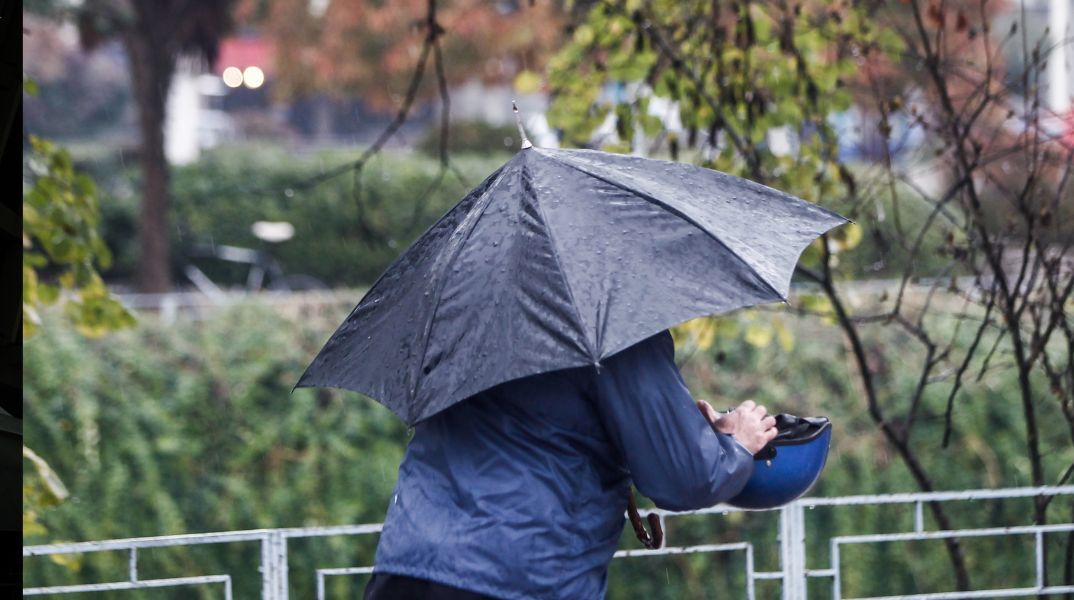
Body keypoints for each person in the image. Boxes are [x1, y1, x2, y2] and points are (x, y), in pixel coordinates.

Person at [363, 330, 778, 600]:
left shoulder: (463, 316)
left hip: (404, 569)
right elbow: (687, 479)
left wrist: (687, 434)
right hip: (521, 578)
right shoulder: (611, 324)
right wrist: (736, 445)